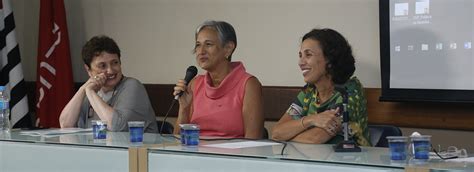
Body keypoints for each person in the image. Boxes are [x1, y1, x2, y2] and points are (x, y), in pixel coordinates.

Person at [272, 28, 371, 146]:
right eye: (300, 55)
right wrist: (311, 120)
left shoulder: (349, 91)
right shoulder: (309, 91)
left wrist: (289, 136)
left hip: (351, 162)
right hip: (313, 160)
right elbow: (276, 133)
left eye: (308, 55)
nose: (300, 62)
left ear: (329, 59)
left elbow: (315, 139)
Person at [173, 20, 264, 139]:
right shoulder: (195, 84)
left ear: (228, 48)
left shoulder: (249, 85)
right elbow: (177, 140)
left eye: (208, 44)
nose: (201, 51)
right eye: (198, 45)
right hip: (195, 154)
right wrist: (184, 109)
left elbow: (253, 142)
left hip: (232, 156)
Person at [59, 35, 158, 133]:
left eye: (115, 63)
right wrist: (82, 90)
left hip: (135, 149)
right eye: (102, 66)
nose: (110, 70)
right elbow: (65, 125)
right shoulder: (91, 89)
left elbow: (117, 127)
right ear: (88, 70)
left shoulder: (133, 86)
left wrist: (90, 92)